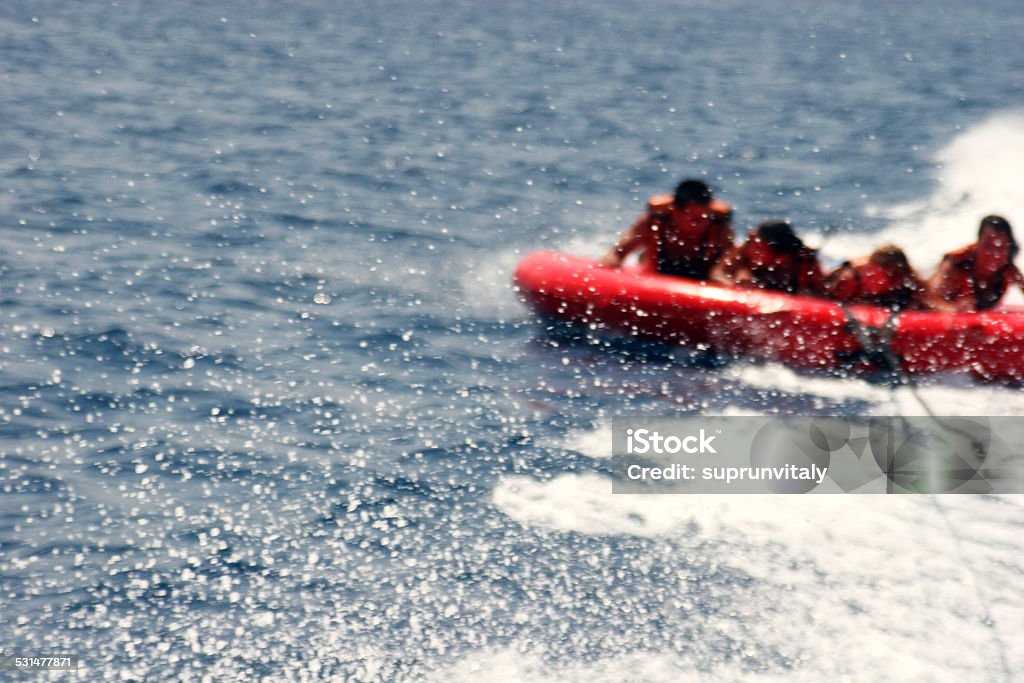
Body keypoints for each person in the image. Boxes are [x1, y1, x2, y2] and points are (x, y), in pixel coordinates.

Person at [599, 179, 733, 280]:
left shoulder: (719, 229)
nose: (701, 224)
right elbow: (618, 253)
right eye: (693, 219)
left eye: (705, 218)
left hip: (700, 283)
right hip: (655, 279)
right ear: (675, 212)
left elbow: (731, 267)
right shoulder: (654, 222)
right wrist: (609, 265)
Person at [925, 215, 1024, 312]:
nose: (994, 255)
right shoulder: (956, 263)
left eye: (1000, 248)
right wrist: (951, 309)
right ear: (977, 244)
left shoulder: (1009, 270)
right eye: (988, 246)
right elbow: (927, 297)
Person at [710, 219, 824, 295]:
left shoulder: (803, 261)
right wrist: (734, 286)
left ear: (780, 256)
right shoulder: (748, 246)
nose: (753, 251)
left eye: (760, 249)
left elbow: (821, 294)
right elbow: (718, 273)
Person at [824, 244, 926, 311]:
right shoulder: (850, 278)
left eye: (896, 272)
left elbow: (922, 301)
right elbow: (829, 303)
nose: (894, 277)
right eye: (890, 272)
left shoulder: (909, 277)